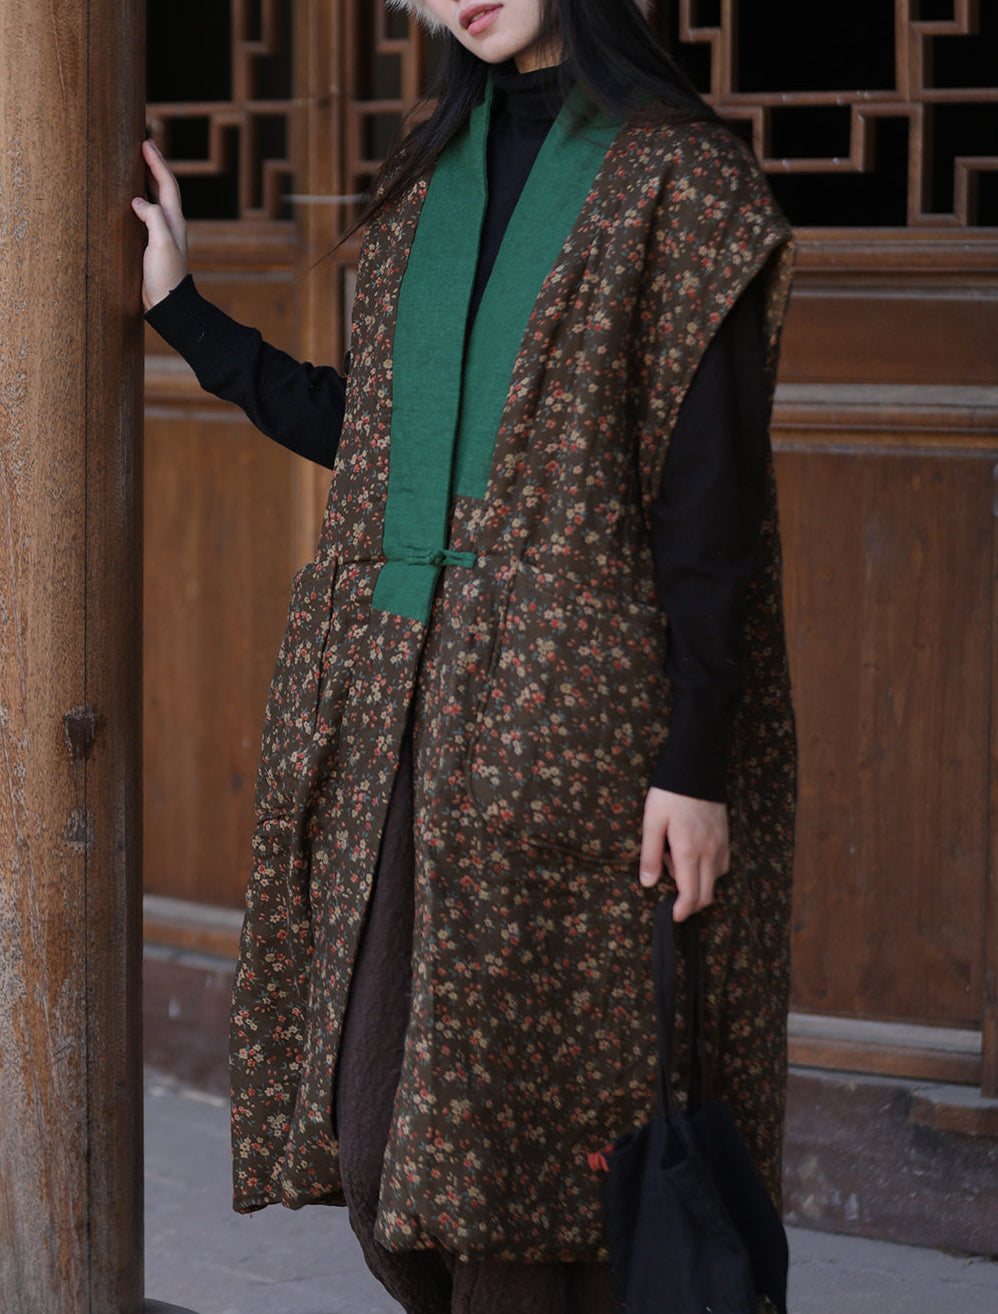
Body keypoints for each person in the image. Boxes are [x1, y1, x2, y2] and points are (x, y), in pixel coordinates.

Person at [133, 2, 796, 1311]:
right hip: (399, 712)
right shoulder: (431, 170)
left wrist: (694, 760)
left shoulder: (680, 179)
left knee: (539, 1150)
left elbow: (710, 504)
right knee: (383, 1133)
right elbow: (383, 442)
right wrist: (185, 314)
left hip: (576, 726)